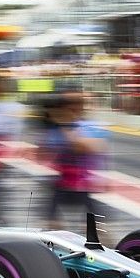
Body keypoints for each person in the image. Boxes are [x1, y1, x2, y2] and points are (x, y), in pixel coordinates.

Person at [42, 89, 107, 231]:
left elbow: (85, 147)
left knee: (98, 235)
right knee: (51, 231)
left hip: (86, 188)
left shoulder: (91, 126)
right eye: (67, 103)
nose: (73, 107)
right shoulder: (54, 130)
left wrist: (65, 126)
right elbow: (44, 153)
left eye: (78, 102)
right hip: (60, 187)